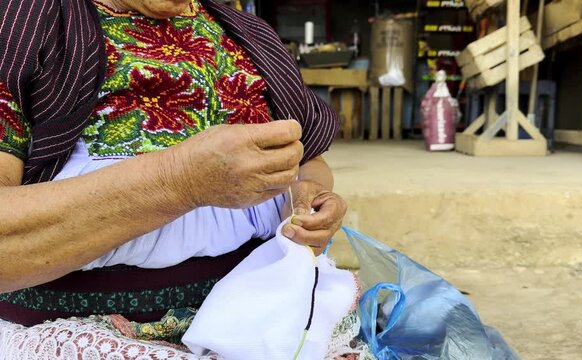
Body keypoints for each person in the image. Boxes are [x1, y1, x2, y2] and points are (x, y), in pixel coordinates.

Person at [0, 0, 366, 358]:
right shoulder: (27, 20)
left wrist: (311, 194)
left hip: (261, 323)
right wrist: (178, 181)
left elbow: (308, 158)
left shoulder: (249, 35)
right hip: (82, 333)